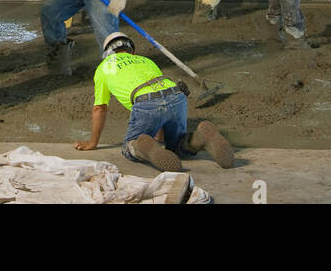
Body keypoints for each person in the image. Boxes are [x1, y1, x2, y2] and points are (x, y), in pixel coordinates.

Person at [75, 32, 235, 173]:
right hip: (176, 95)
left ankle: (141, 145)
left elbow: (99, 108)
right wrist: (159, 137)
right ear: (131, 49)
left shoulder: (104, 68)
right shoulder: (145, 60)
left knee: (128, 148)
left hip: (146, 102)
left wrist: (93, 142)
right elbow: (160, 95)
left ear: (108, 52)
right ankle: (200, 138)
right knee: (179, 146)